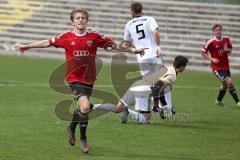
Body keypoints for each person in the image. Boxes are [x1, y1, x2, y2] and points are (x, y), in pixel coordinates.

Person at [15, 8, 146, 153]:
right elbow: (47, 42)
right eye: (77, 18)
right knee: (85, 107)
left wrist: (134, 50)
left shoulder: (95, 36)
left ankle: (71, 127)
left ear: (86, 20)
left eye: (83, 18)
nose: (80, 20)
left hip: (89, 79)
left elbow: (114, 46)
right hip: (74, 79)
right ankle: (83, 139)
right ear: (72, 21)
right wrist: (26, 47)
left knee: (80, 108)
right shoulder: (66, 37)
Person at [92, 56, 188, 124]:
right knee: (146, 121)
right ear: (183, 67)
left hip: (137, 84)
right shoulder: (172, 75)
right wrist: (155, 104)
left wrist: (165, 105)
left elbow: (161, 89)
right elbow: (157, 88)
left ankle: (92, 106)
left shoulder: (166, 68)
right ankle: (128, 112)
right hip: (144, 90)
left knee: (117, 109)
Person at [122, 2, 173, 121]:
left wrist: (134, 49)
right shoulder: (149, 19)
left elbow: (125, 44)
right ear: (141, 10)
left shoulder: (129, 24)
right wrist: (158, 46)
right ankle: (166, 107)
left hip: (142, 56)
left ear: (132, 12)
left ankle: (155, 106)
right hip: (154, 55)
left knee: (150, 84)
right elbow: (155, 32)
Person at [201, 24, 240, 108]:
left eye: (219, 30)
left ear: (221, 30)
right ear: (213, 32)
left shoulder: (226, 39)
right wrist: (212, 59)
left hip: (226, 66)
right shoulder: (210, 42)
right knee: (229, 82)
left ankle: (218, 100)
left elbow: (230, 51)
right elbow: (203, 52)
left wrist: (227, 50)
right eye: (216, 30)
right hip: (216, 67)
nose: (218, 32)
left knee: (225, 85)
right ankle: (238, 102)